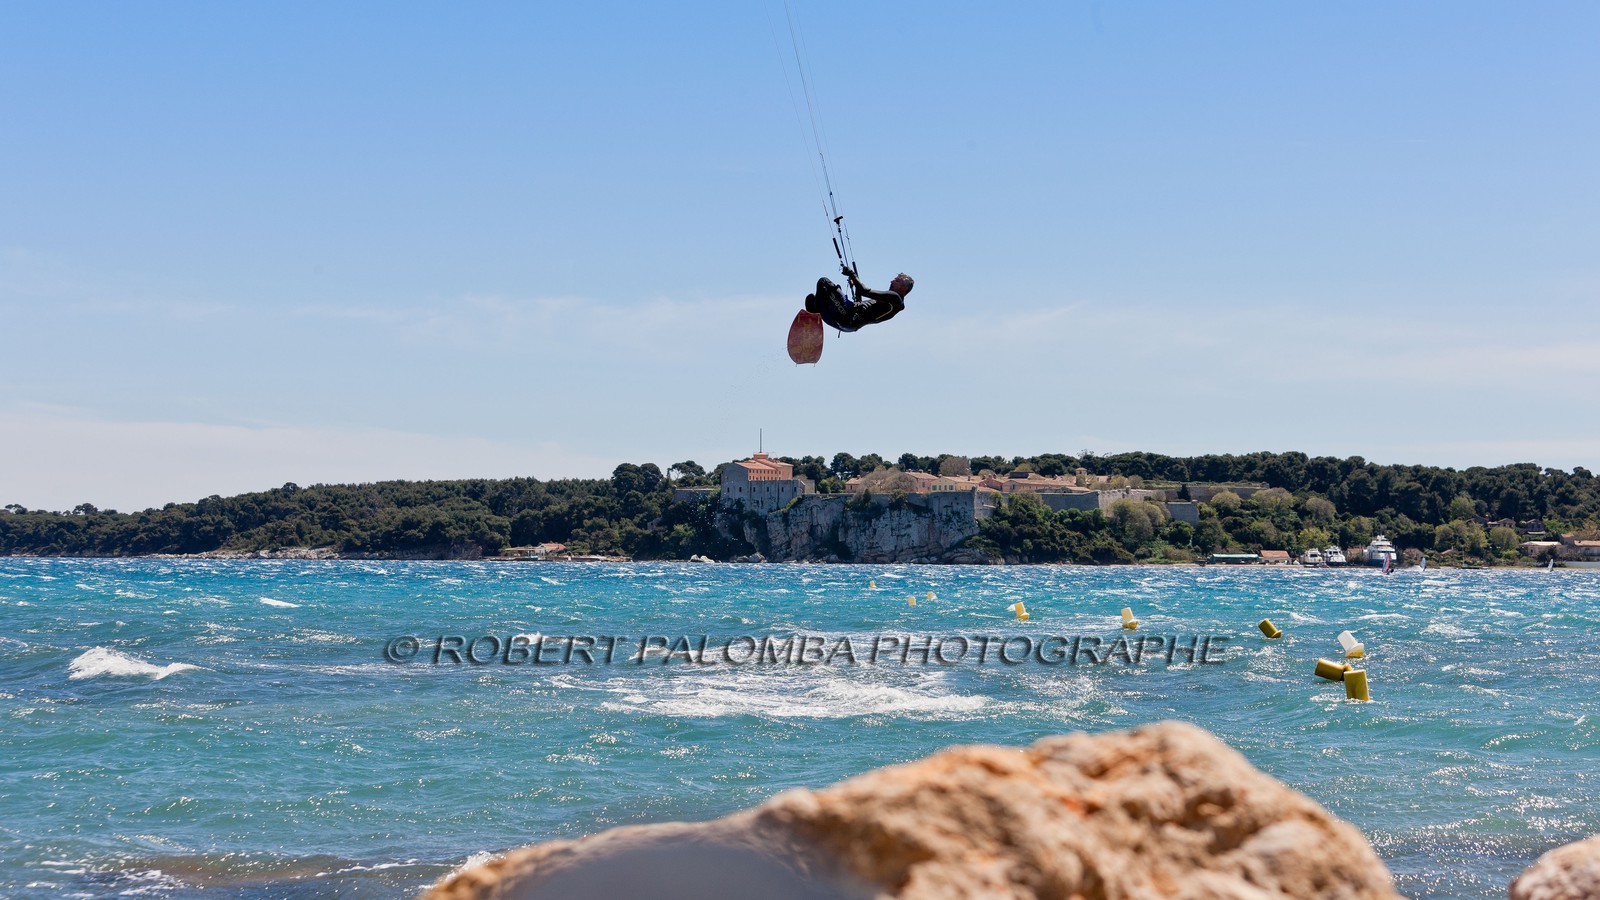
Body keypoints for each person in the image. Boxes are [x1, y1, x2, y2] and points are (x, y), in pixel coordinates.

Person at [804, 267, 913, 332]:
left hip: (847, 315)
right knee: (812, 298)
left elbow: (864, 291)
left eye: (896, 281)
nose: (891, 282)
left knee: (823, 282)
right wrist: (855, 284)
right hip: (845, 325)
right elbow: (860, 302)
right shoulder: (890, 304)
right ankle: (817, 311)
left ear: (904, 288)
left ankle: (816, 312)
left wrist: (851, 273)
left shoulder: (895, 298)